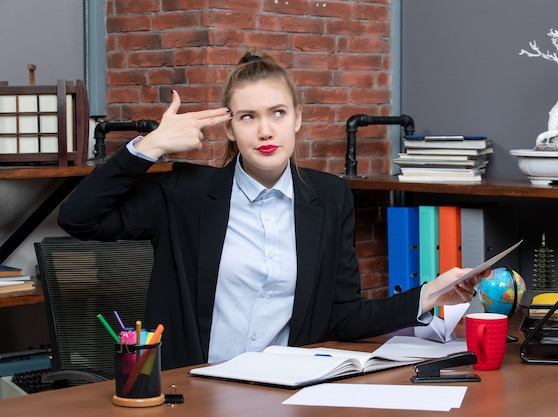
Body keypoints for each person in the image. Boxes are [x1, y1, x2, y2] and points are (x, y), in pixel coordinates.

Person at [58, 50, 486, 370]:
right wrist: (148, 147)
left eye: (277, 113)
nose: (265, 130)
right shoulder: (185, 192)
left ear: (297, 118)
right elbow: (79, 218)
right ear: (229, 128)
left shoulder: (329, 197)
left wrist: (430, 294)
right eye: (247, 117)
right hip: (191, 390)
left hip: (284, 391)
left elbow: (345, 316)